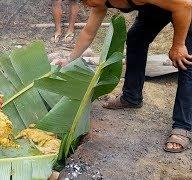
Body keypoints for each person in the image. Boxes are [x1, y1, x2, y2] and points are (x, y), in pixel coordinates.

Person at [52, 0, 192, 153]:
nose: (86, 4)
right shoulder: (98, 3)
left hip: (184, 8)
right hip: (156, 7)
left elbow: (184, 5)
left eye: (86, 0)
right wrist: (70, 60)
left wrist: (178, 45)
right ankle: (131, 97)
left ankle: (182, 126)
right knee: (136, 38)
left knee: (187, 60)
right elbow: (88, 32)